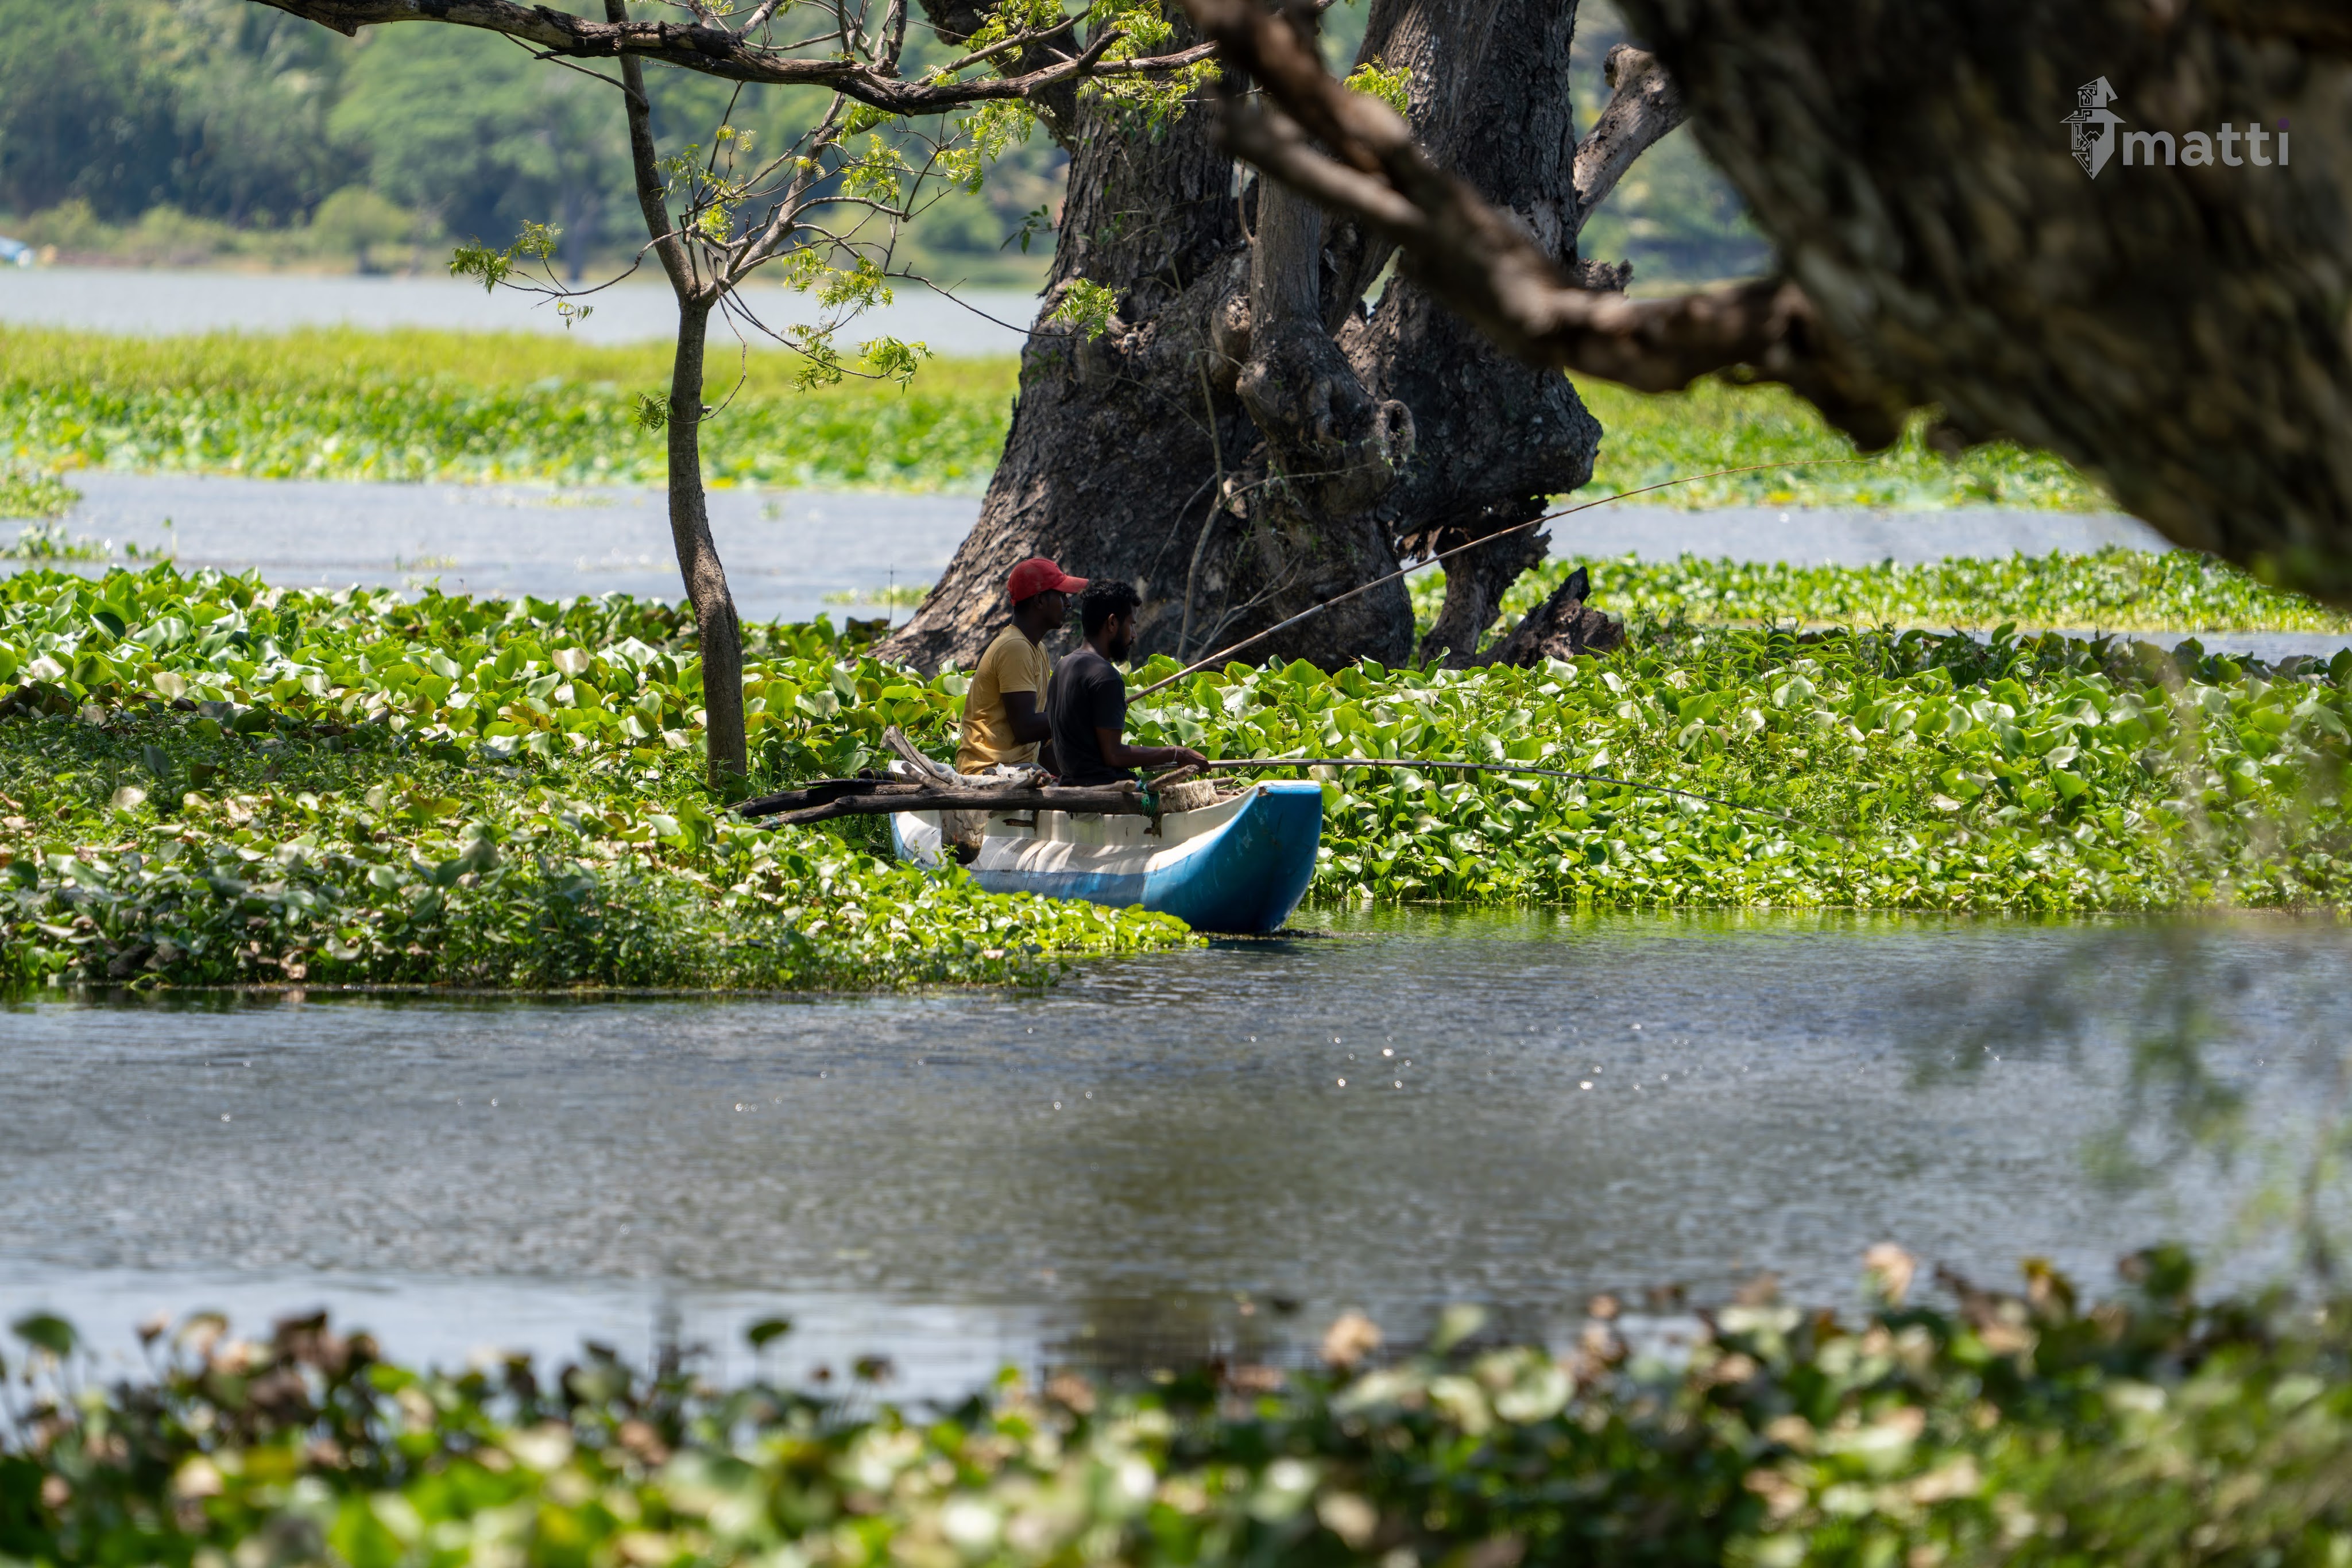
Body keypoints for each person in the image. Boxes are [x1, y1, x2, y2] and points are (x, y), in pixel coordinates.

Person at [1047, 579, 1209, 786]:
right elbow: (1114, 755)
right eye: (1131, 624)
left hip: (1071, 783)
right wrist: (1178, 753)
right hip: (1105, 789)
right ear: (1112, 623)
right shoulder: (1105, 676)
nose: (1134, 635)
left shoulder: (1062, 667)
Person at [956, 556, 1087, 775]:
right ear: (1039, 601)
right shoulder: (1015, 647)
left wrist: (1066, 780)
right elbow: (1026, 729)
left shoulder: (1038, 649)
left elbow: (1043, 738)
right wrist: (1080, 712)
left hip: (1018, 770)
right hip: (987, 771)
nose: (1068, 604)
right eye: (1061, 595)